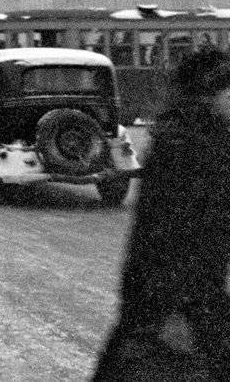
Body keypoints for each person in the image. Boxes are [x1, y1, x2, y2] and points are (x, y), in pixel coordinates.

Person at [93, 46, 230, 380]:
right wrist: (172, 315)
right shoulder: (190, 149)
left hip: (178, 305)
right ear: (208, 96)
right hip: (177, 309)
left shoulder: (196, 140)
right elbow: (165, 243)